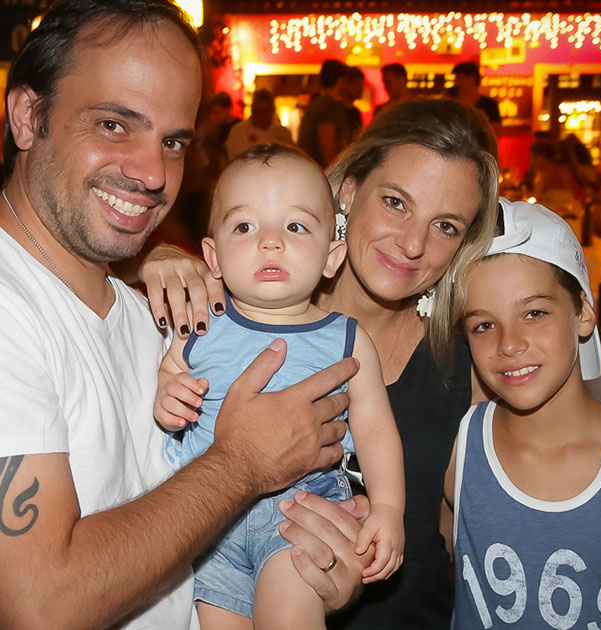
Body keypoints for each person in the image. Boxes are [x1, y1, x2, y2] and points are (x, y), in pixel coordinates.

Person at [0, 2, 369, 628]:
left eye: (172, 142)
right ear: (28, 117)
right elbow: (38, 604)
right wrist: (243, 465)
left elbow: (184, 532)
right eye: (114, 125)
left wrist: (311, 562)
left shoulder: (154, 315)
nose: (153, 174)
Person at [140, 97, 501, 629]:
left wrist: (381, 520)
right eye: (396, 202)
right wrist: (151, 256)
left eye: (446, 226)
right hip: (220, 550)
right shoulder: (216, 304)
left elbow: (472, 539)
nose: (412, 243)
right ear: (349, 193)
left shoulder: (467, 365)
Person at [155, 144, 405, 629]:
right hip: (207, 522)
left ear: (331, 257)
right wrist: (168, 395)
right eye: (245, 227)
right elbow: (169, 371)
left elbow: (375, 430)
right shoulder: (202, 323)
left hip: (302, 515)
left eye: (295, 227)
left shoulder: (347, 340)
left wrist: (389, 508)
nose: (270, 243)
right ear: (213, 257)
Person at [444, 199, 601, 629]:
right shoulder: (458, 450)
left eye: (534, 313)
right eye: (483, 325)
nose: (509, 343)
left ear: (583, 312)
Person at [298, 59, 351, 167]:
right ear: (340, 80)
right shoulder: (330, 106)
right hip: (323, 169)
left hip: (309, 167)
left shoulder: (315, 104)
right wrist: (335, 170)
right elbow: (327, 146)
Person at [226, 89, 293, 161]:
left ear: (272, 110)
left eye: (265, 110)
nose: (261, 115)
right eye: (257, 110)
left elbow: (290, 157)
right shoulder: (238, 131)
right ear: (252, 109)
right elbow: (232, 159)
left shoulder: (283, 133)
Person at [452, 61, 502, 134]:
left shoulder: (489, 104)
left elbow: (495, 131)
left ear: (472, 78)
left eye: (459, 77)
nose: (456, 82)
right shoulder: (452, 103)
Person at [341, 66, 365, 141]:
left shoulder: (356, 111)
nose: (360, 89)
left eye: (361, 85)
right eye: (356, 85)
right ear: (344, 85)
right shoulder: (336, 110)